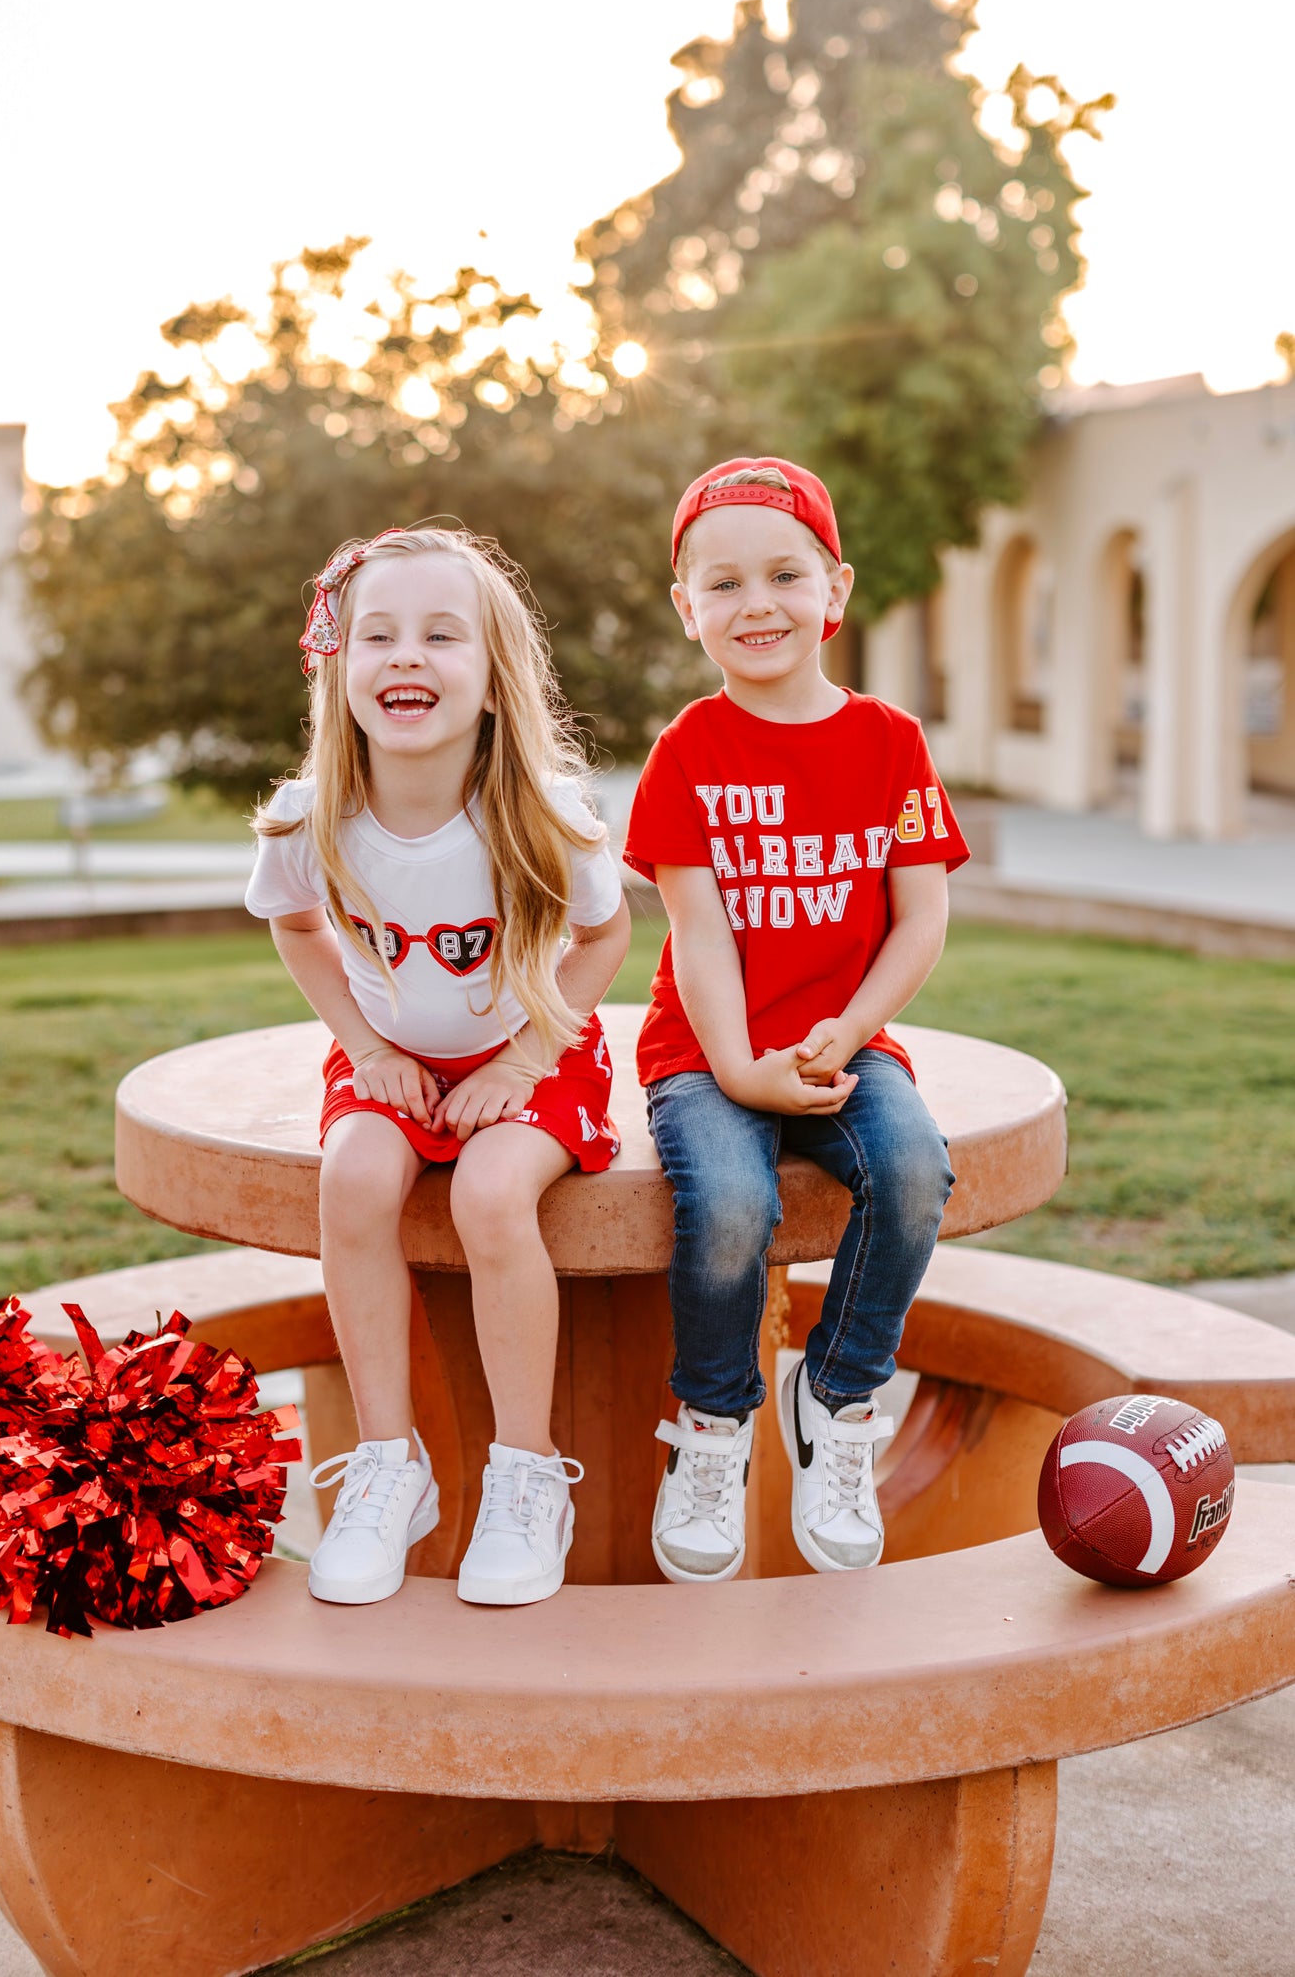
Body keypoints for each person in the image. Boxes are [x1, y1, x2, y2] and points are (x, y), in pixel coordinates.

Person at [246, 527, 630, 1607]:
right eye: (378, 634)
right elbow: (293, 924)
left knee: (492, 1193)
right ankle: (388, 1465)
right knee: (353, 1181)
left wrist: (525, 1053)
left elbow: (604, 938)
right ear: (339, 663)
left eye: (439, 635)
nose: (405, 656)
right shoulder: (308, 812)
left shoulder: (542, 814)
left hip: (533, 1050)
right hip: (396, 1059)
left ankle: (522, 1475)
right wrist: (365, 1046)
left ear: (494, 678)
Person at [622, 459, 969, 1585]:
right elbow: (698, 930)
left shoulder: (888, 743)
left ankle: (835, 1394)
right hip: (706, 1050)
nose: (755, 602)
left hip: (842, 1039)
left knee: (913, 1167)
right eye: (721, 583)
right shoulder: (687, 752)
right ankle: (713, 1425)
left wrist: (848, 1029)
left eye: (783, 572)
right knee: (730, 1200)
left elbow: (919, 916)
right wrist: (737, 1068)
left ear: (836, 589)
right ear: (688, 610)